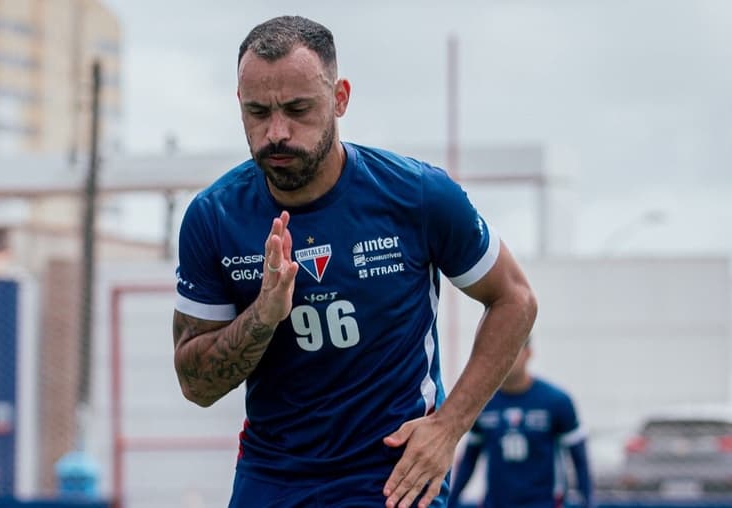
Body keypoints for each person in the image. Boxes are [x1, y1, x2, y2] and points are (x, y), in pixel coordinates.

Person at [172, 15, 537, 508]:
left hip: (392, 474)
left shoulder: (418, 196)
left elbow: (514, 299)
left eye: (298, 109)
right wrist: (263, 314)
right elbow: (196, 385)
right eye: (259, 112)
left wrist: (450, 427)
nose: (276, 132)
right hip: (273, 475)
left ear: (340, 98)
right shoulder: (213, 217)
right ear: (240, 104)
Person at [447, 339, 594, 508]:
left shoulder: (556, 401)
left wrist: (588, 502)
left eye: (513, 350)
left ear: (528, 353)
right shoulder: (482, 402)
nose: (507, 359)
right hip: (496, 503)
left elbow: (579, 459)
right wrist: (451, 501)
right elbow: (469, 460)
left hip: (543, 503)